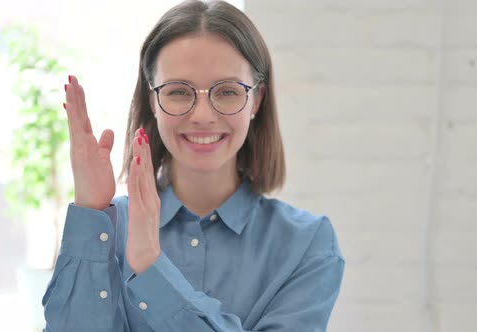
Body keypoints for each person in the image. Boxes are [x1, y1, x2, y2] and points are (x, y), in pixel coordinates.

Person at [42, 1, 344, 331]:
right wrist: (89, 210)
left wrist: (151, 267)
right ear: (153, 101)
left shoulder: (307, 244)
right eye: (178, 92)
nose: (202, 115)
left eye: (228, 91)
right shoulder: (104, 230)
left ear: (256, 100)